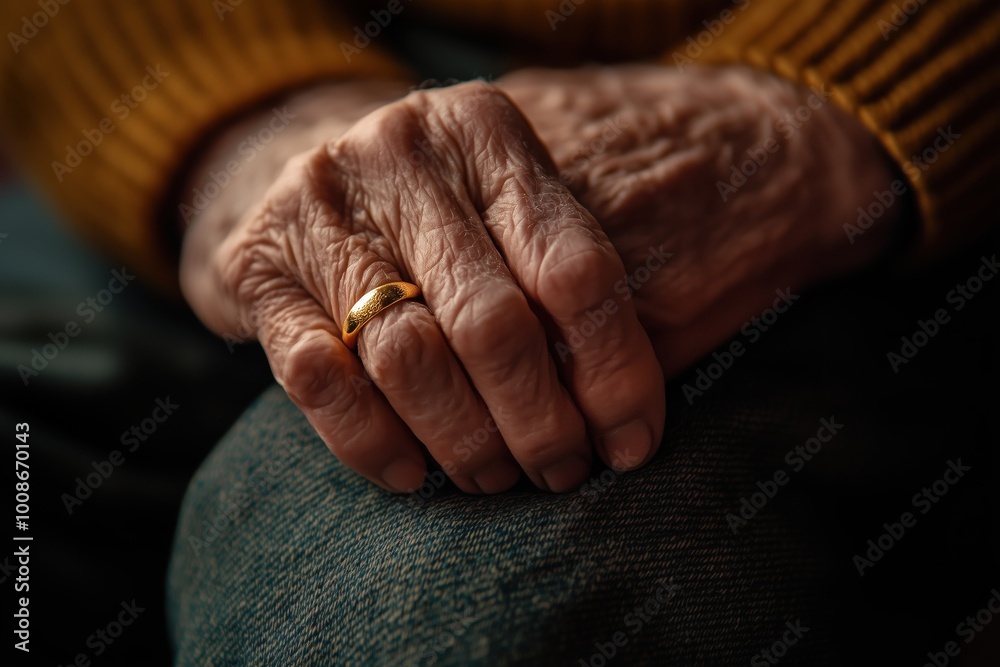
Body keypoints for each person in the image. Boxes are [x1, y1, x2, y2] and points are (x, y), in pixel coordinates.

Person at [2, 1, 997, 663]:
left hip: (867, 129)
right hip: (291, 73)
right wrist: (257, 126)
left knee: (401, 606)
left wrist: (824, 110)